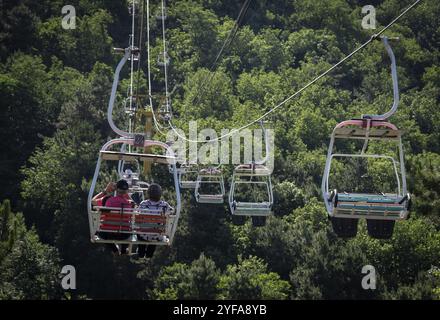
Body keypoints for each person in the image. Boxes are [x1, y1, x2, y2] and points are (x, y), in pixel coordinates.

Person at [137, 183, 173, 258]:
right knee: (156, 231)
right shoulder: (165, 205)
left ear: (149, 194)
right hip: (157, 235)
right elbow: (172, 211)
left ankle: (141, 253)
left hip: (143, 234)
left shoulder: (143, 204)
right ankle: (149, 254)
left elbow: (138, 214)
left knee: (142, 233)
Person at [101, 179, 133, 255]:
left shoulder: (109, 201)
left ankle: (114, 249)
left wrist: (106, 191)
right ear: (126, 191)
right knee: (129, 229)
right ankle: (124, 249)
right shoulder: (128, 203)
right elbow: (134, 209)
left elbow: (104, 212)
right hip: (123, 234)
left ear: (116, 189)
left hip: (108, 233)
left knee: (100, 233)